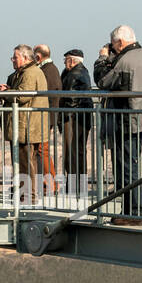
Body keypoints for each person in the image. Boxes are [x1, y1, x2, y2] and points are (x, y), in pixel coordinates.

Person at [94, 25, 142, 225]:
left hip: (128, 120)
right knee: (130, 165)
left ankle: (133, 213)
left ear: (120, 42)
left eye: (113, 45)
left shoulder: (125, 61)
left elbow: (104, 81)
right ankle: (133, 210)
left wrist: (102, 59)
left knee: (126, 167)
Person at [4, 45, 51, 201]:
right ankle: (26, 193)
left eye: (15, 57)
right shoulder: (30, 71)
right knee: (26, 161)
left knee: (25, 161)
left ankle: (28, 195)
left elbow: (23, 96)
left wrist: (6, 93)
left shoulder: (29, 73)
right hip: (28, 124)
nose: (12, 60)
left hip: (26, 125)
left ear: (24, 58)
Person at [60, 49, 93, 195]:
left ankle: (73, 185)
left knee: (71, 152)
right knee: (79, 152)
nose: (65, 63)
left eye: (66, 60)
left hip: (72, 118)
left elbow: (71, 98)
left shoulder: (73, 74)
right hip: (82, 117)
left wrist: (64, 116)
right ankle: (79, 184)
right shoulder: (83, 72)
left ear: (72, 61)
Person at [33, 45, 62, 193]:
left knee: (41, 150)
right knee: (41, 150)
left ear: (38, 57)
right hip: (47, 116)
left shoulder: (47, 71)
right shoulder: (51, 69)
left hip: (45, 117)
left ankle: (50, 183)